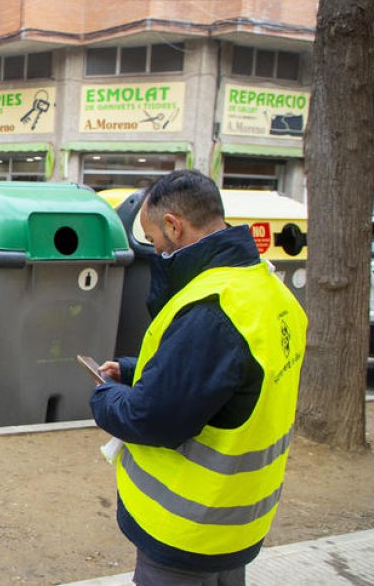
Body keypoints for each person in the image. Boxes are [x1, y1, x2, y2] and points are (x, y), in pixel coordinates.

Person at [90, 169, 307, 585]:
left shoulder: (212, 309)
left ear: (174, 226)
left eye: (154, 240)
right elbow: (234, 379)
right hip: (237, 518)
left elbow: (151, 418)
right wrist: (136, 370)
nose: (154, 249)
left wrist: (104, 396)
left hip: (187, 529)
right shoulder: (268, 290)